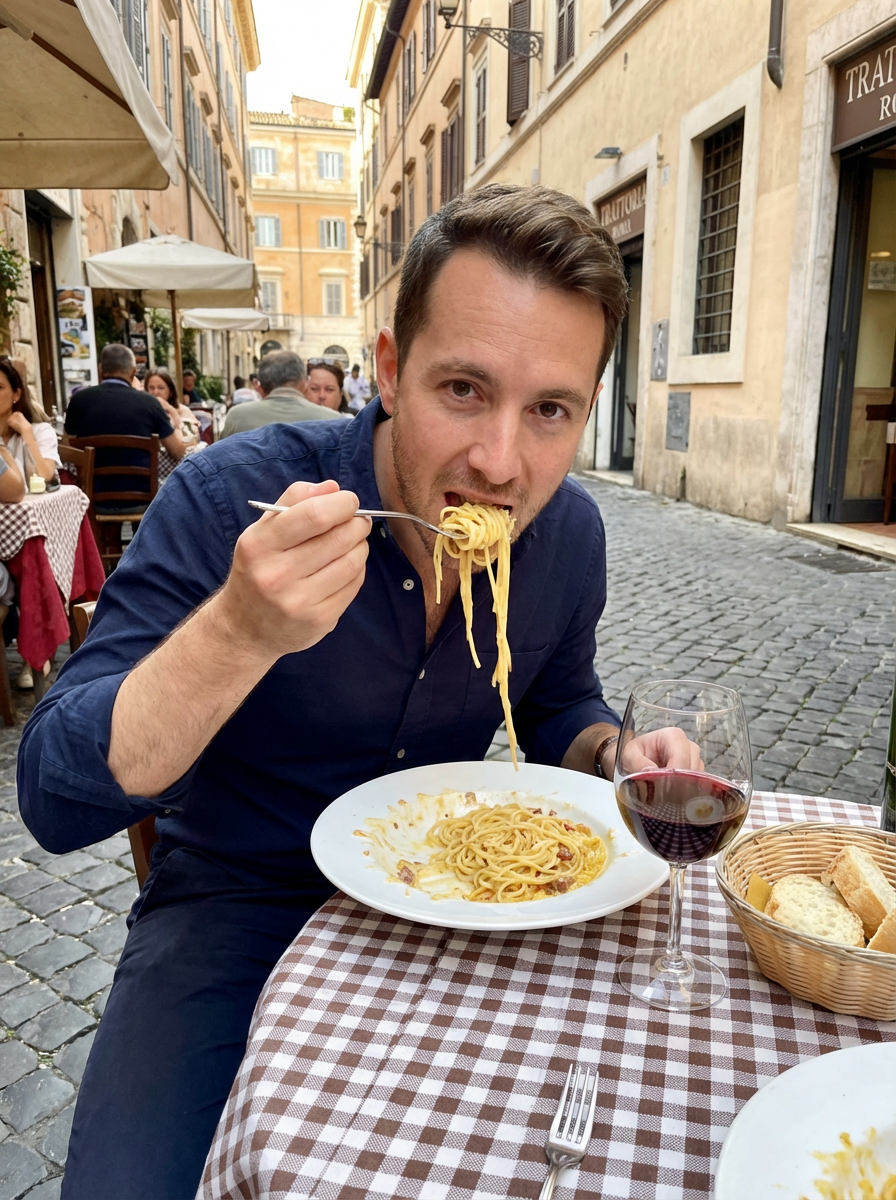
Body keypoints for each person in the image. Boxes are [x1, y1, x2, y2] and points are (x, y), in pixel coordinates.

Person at [18, 184, 697, 1200]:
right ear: (387, 369)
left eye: (548, 411)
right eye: (462, 389)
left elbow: (559, 701)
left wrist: (614, 753)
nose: (499, 463)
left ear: (585, 414)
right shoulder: (230, 498)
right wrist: (237, 631)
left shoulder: (566, 535)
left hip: (459, 907)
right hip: (232, 911)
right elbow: (54, 796)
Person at [64, 344, 186, 503]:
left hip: (92, 498)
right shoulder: (149, 403)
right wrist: (176, 423)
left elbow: (66, 449)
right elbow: (177, 452)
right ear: (133, 372)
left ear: (100, 370)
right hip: (141, 497)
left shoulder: (78, 401)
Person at [220, 350, 334, 438]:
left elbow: (220, 458)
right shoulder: (333, 420)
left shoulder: (238, 417)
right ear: (305, 383)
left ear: (259, 387)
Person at [0, 357, 61, 488]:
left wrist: (28, 435)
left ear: (16, 394)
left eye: (0, 387)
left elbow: (45, 476)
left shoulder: (41, 431)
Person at [144, 369, 201, 446]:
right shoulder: (144, 412)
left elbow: (188, 442)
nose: (155, 392)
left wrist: (170, 410)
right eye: (151, 388)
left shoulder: (182, 410)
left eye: (161, 388)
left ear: (170, 392)